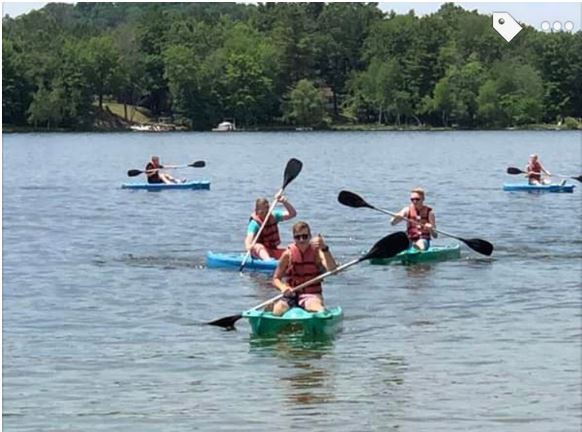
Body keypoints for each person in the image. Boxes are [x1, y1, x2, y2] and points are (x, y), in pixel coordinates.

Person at [272, 221, 337, 316]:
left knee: (316, 307)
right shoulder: (287, 254)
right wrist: (283, 287)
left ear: (310, 236)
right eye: (297, 237)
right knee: (278, 309)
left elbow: (333, 270)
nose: (301, 240)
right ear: (294, 239)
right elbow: (275, 279)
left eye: (304, 236)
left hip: (312, 295)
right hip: (291, 295)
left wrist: (325, 248)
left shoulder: (318, 252)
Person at [244, 192, 297, 260]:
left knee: (291, 250)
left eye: (266, 212)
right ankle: (268, 261)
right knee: (257, 246)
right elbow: (249, 238)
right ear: (256, 211)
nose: (264, 215)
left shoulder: (274, 216)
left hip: (272, 250)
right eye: (261, 212)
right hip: (258, 253)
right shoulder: (254, 224)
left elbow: (293, 214)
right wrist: (248, 246)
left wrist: (284, 202)